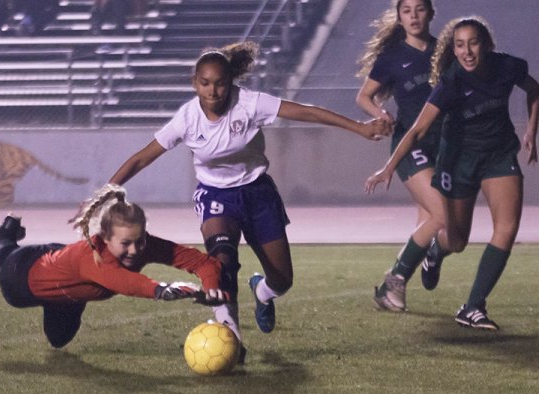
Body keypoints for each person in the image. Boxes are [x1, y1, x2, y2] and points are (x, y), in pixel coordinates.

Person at [108, 41, 392, 357]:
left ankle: (262, 291)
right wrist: (107, 192)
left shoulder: (250, 103)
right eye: (205, 84)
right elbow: (141, 158)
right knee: (222, 260)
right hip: (215, 195)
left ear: (231, 82)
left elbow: (307, 113)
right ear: (194, 83)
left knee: (283, 279)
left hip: (258, 193)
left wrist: (358, 128)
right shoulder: (186, 119)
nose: (213, 91)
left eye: (220, 83)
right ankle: (232, 340)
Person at [365, 16, 538, 330]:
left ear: (485, 45)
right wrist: (388, 168)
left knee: (507, 228)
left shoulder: (507, 67)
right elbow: (418, 129)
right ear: (453, 49)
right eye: (460, 45)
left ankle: (473, 307)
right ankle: (436, 252)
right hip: (460, 160)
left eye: (473, 43)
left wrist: (531, 131)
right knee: (456, 239)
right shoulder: (452, 81)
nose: (467, 51)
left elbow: (534, 89)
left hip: (499, 155)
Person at [0, 184, 229, 348]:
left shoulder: (142, 246)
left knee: (58, 339)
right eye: (125, 243)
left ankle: (68, 296)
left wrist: (211, 286)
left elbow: (201, 262)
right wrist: (161, 290)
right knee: (2, 252)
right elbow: (126, 282)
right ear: (105, 238)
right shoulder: (93, 256)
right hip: (21, 274)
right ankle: (8, 228)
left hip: (66, 287)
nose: (135, 251)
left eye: (140, 240)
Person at [356, 0, 446, 312]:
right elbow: (363, 96)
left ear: (431, 13)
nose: (413, 16)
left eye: (420, 9)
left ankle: (411, 272)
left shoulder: (445, 50)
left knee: (430, 222)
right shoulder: (392, 57)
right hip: (411, 145)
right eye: (406, 10)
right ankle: (393, 281)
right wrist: (381, 113)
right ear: (399, 17)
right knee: (441, 214)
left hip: (445, 145)